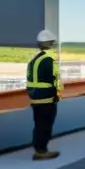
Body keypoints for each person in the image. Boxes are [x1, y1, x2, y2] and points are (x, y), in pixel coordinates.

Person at [26, 29, 62, 160]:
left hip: (34, 98)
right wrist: (57, 95)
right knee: (45, 124)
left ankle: (38, 148)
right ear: (51, 43)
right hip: (47, 98)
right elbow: (55, 80)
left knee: (38, 124)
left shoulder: (34, 60)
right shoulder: (49, 59)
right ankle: (42, 151)